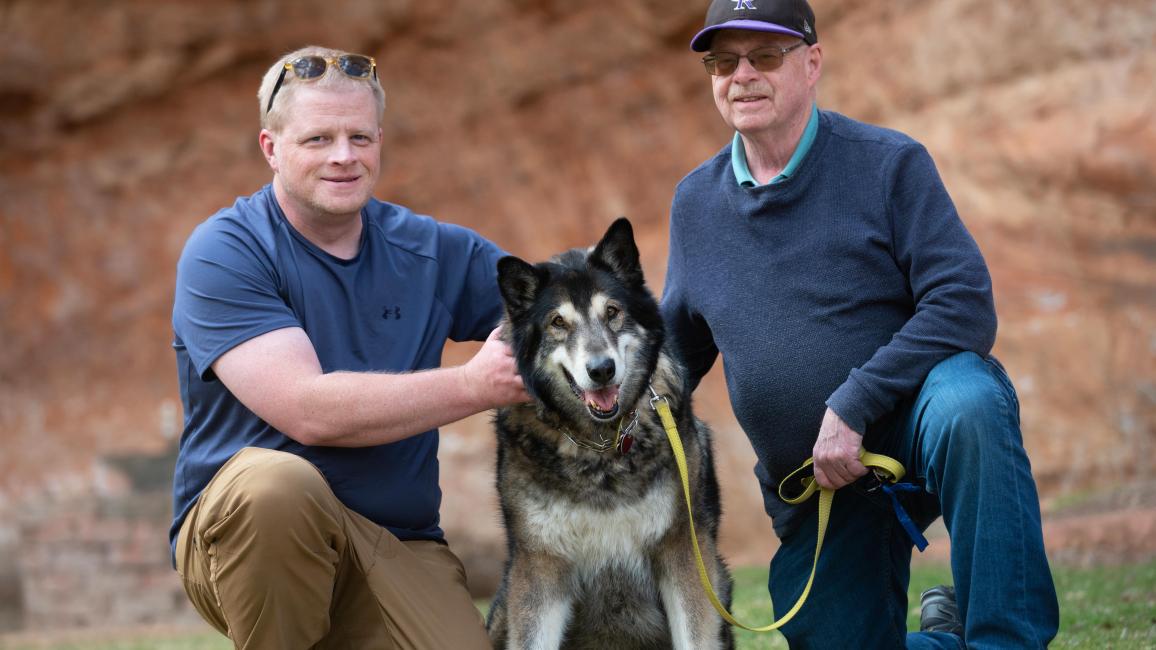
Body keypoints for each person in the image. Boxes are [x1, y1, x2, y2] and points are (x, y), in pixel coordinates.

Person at [661, 1, 1060, 647]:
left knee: (971, 404)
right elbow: (675, 348)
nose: (742, 76)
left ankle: (1004, 641)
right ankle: (946, 633)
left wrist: (854, 402)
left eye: (765, 56)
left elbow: (963, 301)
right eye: (723, 61)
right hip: (818, 489)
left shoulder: (889, 163)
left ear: (812, 63)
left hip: (914, 424)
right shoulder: (695, 202)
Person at [169, 45, 528, 650]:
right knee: (276, 488)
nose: (344, 156)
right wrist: (474, 385)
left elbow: (556, 315)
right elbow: (309, 411)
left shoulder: (431, 249)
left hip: (396, 539)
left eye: (360, 137)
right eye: (317, 139)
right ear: (271, 148)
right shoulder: (225, 251)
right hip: (245, 535)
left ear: (380, 140)